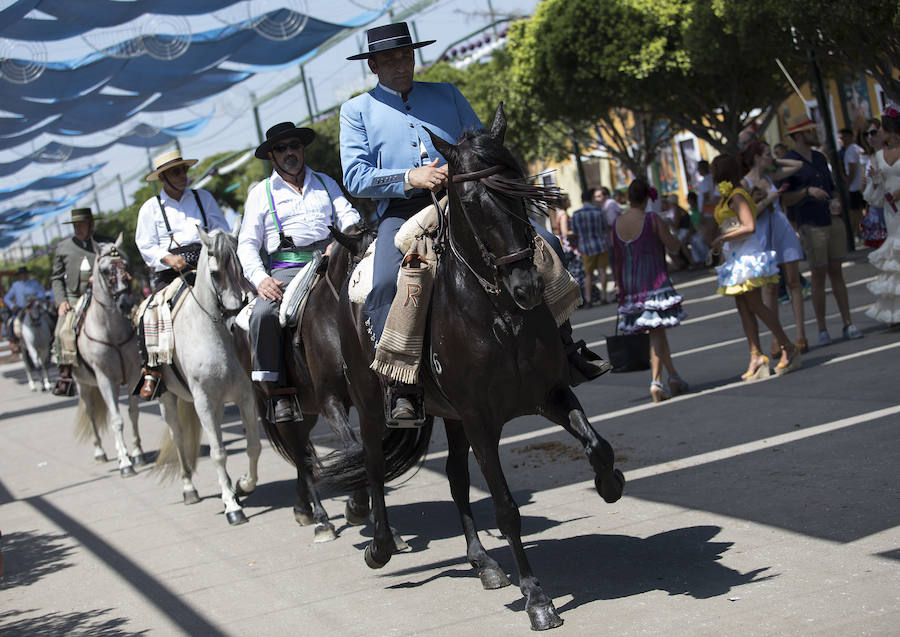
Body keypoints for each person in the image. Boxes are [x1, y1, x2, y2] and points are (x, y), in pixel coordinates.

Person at [339, 22, 606, 420]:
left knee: (547, 241)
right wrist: (410, 177)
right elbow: (355, 177)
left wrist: (467, 169)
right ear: (374, 65)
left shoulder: (447, 93)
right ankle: (401, 384)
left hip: (466, 202)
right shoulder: (356, 110)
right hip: (403, 211)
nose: (401, 65)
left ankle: (565, 346)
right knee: (381, 282)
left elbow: (484, 145)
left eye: (406, 55)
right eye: (390, 59)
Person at [238, 122, 361, 422]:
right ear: (272, 157)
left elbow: (349, 215)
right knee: (264, 314)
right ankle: (279, 392)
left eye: (294, 145)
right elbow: (246, 245)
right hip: (287, 269)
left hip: (332, 259)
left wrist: (340, 242)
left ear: (302, 148)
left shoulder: (325, 181)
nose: (290, 152)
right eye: (281, 148)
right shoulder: (260, 193)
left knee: (372, 291)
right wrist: (261, 279)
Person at [134, 150, 230, 399]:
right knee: (148, 311)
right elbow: (145, 245)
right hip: (171, 273)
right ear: (163, 177)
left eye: (183, 170)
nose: (181, 176)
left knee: (236, 297)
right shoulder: (150, 208)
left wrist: (212, 245)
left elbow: (221, 227)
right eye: (175, 172)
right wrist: (167, 258)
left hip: (206, 264)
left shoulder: (203, 197)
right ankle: (152, 371)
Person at [710, 154, 800, 380]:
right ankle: (756, 354)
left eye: (715, 169)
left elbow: (749, 225)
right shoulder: (727, 195)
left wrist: (723, 239)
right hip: (734, 254)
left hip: (747, 253)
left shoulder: (738, 195)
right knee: (743, 306)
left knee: (755, 303)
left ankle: (787, 345)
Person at [780, 113, 863, 345]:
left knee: (837, 271)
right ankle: (823, 329)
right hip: (810, 222)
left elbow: (832, 185)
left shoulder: (818, 157)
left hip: (831, 218)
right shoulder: (789, 160)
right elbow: (784, 198)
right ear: (798, 135)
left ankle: (848, 322)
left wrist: (835, 199)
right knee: (818, 275)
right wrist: (807, 193)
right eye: (809, 130)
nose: (814, 133)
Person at [611, 178, 688, 403]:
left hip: (631, 283)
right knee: (656, 331)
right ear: (647, 197)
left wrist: (620, 287)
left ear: (628, 198)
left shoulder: (616, 224)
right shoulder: (652, 219)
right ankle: (657, 381)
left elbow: (616, 259)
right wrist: (674, 235)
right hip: (654, 281)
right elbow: (673, 245)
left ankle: (674, 376)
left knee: (658, 332)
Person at [740, 140, 809, 353]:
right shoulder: (744, 183)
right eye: (766, 154)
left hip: (782, 230)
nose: (771, 157)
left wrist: (775, 160)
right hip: (763, 235)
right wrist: (769, 199)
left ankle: (800, 335)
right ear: (756, 157)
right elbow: (749, 214)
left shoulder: (770, 176)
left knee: (793, 282)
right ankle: (776, 337)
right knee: (770, 287)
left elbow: (796, 166)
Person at [49, 207, 112, 395]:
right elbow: (57, 278)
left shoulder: (106, 243)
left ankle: (146, 366)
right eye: (75, 225)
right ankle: (65, 373)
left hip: (105, 296)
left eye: (81, 225)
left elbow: (118, 267)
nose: (77, 228)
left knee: (132, 318)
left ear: (91, 225)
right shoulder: (63, 248)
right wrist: (61, 301)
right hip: (75, 298)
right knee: (63, 330)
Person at [864, 105, 900, 325]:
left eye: (880, 130)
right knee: (895, 259)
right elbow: (873, 195)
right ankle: (894, 312)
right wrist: (876, 181)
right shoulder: (877, 156)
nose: (878, 134)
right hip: (892, 213)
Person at [571, 188, 611, 306]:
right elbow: (605, 227)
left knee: (588, 274)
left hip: (586, 247)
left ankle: (588, 300)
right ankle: (604, 297)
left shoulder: (576, 214)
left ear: (582, 200)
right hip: (601, 245)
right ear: (592, 198)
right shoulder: (599, 211)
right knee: (602, 271)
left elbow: (575, 231)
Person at [3, 266, 47, 352]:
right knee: (12, 322)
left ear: (27, 274)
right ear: (19, 276)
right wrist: (12, 305)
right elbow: (6, 298)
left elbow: (42, 294)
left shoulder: (34, 283)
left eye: (25, 274)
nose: (23, 275)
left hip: (36, 306)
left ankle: (53, 335)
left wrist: (36, 298)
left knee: (49, 316)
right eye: (21, 274)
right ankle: (15, 342)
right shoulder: (15, 285)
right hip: (22, 309)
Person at [861, 117, 888, 248]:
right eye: (866, 134)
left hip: (892, 206)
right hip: (876, 209)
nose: (870, 137)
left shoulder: (891, 153)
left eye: (873, 132)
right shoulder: (869, 157)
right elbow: (865, 187)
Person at [839, 127, 866, 243]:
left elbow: (852, 169)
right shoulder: (857, 148)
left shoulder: (850, 150)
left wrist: (846, 181)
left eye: (842, 137)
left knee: (855, 212)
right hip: (860, 185)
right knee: (860, 210)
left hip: (854, 186)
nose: (841, 140)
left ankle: (858, 233)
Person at [696, 159, 720, 250]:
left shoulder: (706, 181)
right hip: (712, 211)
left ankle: (715, 256)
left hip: (708, 213)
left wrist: (702, 214)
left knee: (708, 237)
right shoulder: (712, 179)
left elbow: (705, 199)